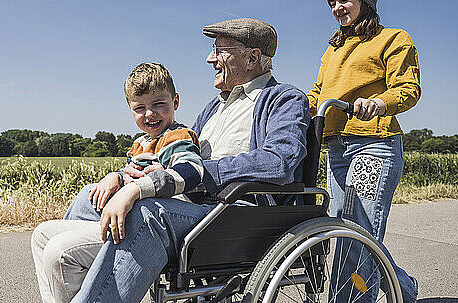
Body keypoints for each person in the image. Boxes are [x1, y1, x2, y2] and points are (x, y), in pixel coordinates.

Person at [32, 18, 311, 303]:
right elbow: (177, 151)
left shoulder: (284, 99)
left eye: (220, 50)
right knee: (80, 206)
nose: (210, 58)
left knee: (147, 214)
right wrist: (126, 176)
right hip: (192, 205)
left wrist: (199, 174)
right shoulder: (214, 106)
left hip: (234, 214)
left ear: (253, 57)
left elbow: (279, 161)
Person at [32, 62, 205, 303]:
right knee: (43, 234)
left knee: (59, 252)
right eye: (140, 107)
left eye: (158, 104)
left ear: (175, 102)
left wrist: (141, 185)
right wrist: (118, 177)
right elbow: (132, 172)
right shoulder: (139, 144)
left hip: (162, 220)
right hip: (130, 213)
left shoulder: (178, 137)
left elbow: (192, 171)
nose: (149, 114)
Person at [307, 0, 421, 303]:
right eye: (332, 3)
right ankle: (402, 287)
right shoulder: (333, 49)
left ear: (365, 0)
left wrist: (379, 103)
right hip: (337, 148)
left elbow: (408, 88)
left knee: (358, 235)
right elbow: (318, 93)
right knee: (347, 233)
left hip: (374, 146)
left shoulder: (393, 39)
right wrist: (296, 106)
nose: (337, 8)